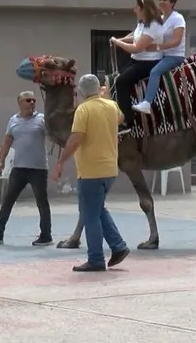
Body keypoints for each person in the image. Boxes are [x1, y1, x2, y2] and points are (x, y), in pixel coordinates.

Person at [52, 74, 130, 272]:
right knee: (98, 210)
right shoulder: (111, 106)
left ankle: (96, 258)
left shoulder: (83, 109)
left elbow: (76, 138)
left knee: (90, 215)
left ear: (81, 91)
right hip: (109, 169)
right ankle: (118, 246)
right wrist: (108, 97)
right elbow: (121, 118)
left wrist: (61, 161)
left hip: (91, 171)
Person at [0, 91, 53, 246]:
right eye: (28, 100)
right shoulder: (13, 120)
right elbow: (7, 140)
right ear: (20, 103)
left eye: (34, 100)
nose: (32, 103)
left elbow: (52, 134)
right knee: (8, 201)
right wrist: (0, 160)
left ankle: (46, 235)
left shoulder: (41, 119)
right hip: (19, 168)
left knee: (42, 202)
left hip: (38, 168)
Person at [110, 0, 165, 134]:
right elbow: (135, 36)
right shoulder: (143, 22)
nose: (134, 10)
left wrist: (117, 42)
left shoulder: (154, 26)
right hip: (137, 61)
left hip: (148, 63)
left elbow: (136, 48)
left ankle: (127, 122)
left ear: (143, 9)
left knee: (121, 82)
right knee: (117, 77)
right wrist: (120, 39)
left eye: (136, 7)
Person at [131, 0, 187, 115]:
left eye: (165, 0)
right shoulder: (161, 18)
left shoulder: (178, 18)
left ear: (172, 3)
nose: (161, 2)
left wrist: (157, 47)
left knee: (155, 72)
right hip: (161, 55)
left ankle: (147, 103)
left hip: (174, 56)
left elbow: (176, 41)